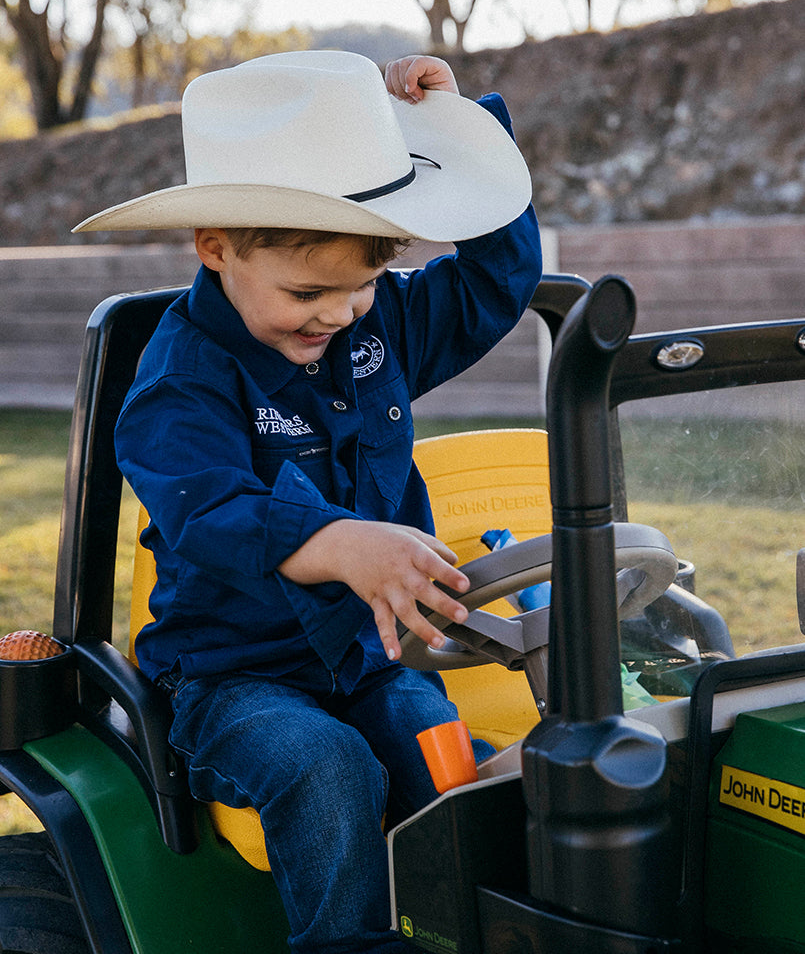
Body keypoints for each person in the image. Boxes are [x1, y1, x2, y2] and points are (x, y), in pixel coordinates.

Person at [74, 49, 542, 954]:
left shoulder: (378, 327)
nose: (339, 314)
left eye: (364, 283)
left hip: (369, 662)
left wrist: (457, 127)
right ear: (214, 248)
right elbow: (209, 515)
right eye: (307, 292)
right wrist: (339, 543)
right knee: (325, 765)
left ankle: (478, 927)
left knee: (437, 757)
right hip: (229, 675)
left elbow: (492, 285)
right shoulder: (179, 384)